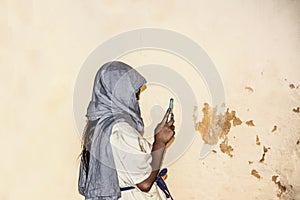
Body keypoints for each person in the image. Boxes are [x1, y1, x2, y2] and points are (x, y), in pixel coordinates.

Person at [78, 61, 175, 200]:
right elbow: (145, 182)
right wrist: (160, 142)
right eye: (133, 93)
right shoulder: (120, 129)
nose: (136, 99)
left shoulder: (100, 126)